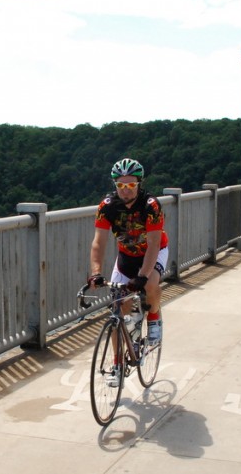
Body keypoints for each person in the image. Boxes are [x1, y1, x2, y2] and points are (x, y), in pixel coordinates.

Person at [88, 158, 168, 385]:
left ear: (139, 184)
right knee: (117, 311)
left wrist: (142, 277)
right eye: (121, 185)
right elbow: (98, 243)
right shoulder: (107, 207)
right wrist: (95, 272)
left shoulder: (151, 206)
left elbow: (153, 245)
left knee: (150, 284)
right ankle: (117, 365)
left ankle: (153, 318)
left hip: (154, 252)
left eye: (131, 185)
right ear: (115, 185)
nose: (125, 190)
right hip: (126, 256)